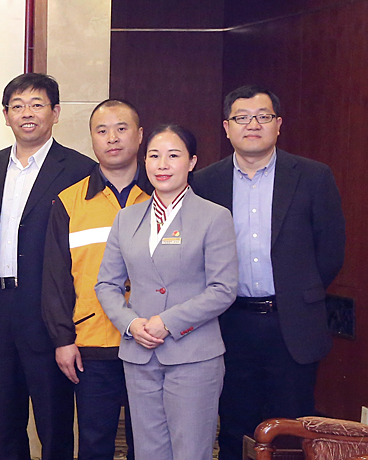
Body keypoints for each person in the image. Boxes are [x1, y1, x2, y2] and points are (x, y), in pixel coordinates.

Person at [189, 86, 346, 460]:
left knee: (292, 430)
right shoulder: (205, 183)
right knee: (234, 427)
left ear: (278, 124)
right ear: (227, 127)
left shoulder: (312, 176)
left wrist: (297, 292)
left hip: (291, 323)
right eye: (242, 117)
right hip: (230, 322)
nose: (253, 125)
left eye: (263, 116)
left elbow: (331, 251)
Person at [96, 124, 238, 460]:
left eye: (173, 156)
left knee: (191, 451)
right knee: (148, 451)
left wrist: (167, 322)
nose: (162, 164)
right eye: (154, 156)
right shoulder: (126, 218)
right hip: (139, 353)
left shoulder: (214, 217)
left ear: (192, 162)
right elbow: (107, 284)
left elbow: (223, 289)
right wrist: (131, 324)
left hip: (193, 355)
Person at [0, 73, 94, 460]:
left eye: (36, 105)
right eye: (17, 106)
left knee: (54, 423)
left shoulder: (80, 170)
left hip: (48, 312)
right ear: (6, 116)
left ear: (55, 112)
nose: (26, 113)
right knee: (4, 422)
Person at [42, 99, 149, 460]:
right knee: (94, 443)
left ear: (139, 135)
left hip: (152, 340)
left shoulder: (162, 195)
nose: (112, 138)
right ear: (91, 138)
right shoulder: (70, 201)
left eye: (121, 128)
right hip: (91, 343)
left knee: (150, 443)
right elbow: (55, 280)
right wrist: (62, 340)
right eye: (102, 131)